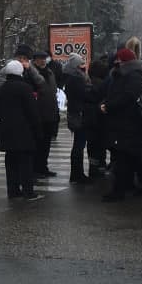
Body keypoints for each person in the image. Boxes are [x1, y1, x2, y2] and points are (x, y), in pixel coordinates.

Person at [101, 48, 142, 202]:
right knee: (133, 157)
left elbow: (127, 97)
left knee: (123, 158)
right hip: (127, 123)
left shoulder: (132, 76)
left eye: (118, 60)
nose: (116, 62)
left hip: (129, 123)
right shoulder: (128, 74)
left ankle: (120, 191)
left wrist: (109, 106)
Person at [0, 60, 42, 200]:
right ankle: (28, 191)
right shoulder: (25, 88)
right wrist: (38, 130)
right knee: (26, 162)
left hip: (7, 130)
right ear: (21, 72)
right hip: (24, 130)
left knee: (11, 161)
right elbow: (32, 111)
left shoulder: (2, 88)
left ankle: (12, 191)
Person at [28, 49, 62, 178]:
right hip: (38, 114)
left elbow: (53, 92)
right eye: (40, 58)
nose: (43, 61)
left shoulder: (49, 72)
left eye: (44, 58)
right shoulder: (31, 73)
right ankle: (35, 169)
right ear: (35, 60)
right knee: (38, 143)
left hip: (50, 112)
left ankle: (43, 167)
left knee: (46, 144)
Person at [59, 54, 89, 183]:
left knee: (78, 144)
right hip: (78, 114)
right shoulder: (76, 79)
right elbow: (83, 95)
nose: (84, 66)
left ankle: (77, 174)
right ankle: (77, 174)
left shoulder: (73, 77)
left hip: (75, 113)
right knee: (79, 145)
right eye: (81, 64)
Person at [82, 59, 110, 184]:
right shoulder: (106, 84)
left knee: (93, 146)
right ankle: (101, 166)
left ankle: (94, 168)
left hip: (91, 119)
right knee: (101, 145)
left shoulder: (90, 84)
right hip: (102, 119)